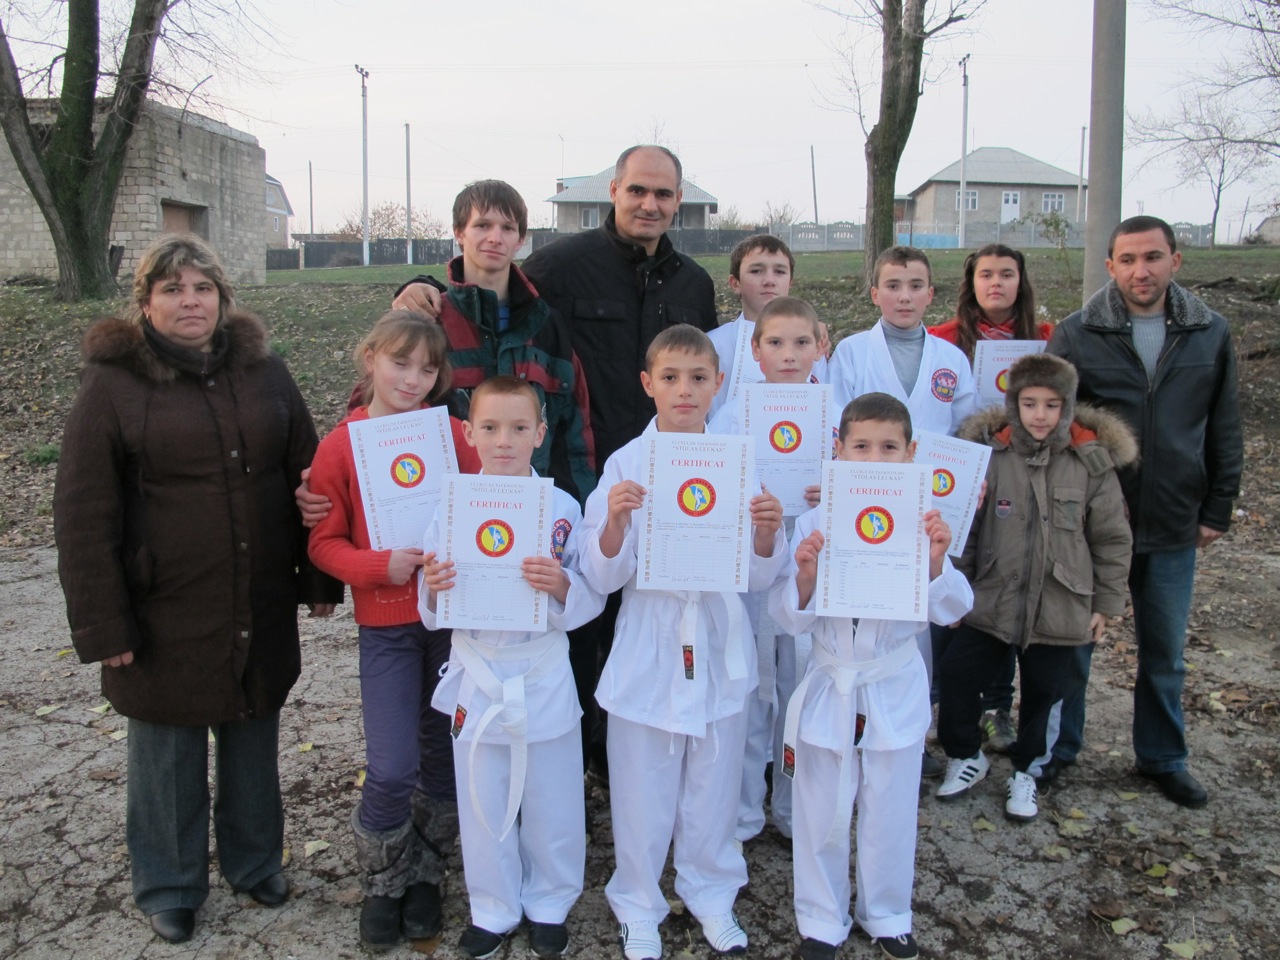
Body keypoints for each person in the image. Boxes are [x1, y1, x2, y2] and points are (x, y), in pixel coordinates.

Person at [392, 146, 719, 782]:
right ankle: (568, 755)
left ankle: (625, 757)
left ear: (679, 200)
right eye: (638, 190)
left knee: (642, 618)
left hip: (652, 479)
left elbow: (698, 368)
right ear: (614, 191)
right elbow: (490, 282)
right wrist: (423, 285)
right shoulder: (563, 265)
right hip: (572, 476)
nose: (650, 204)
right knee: (570, 626)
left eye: (663, 194)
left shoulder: (694, 284)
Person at [53, 234, 341, 944]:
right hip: (163, 603)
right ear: (146, 302)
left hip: (256, 593)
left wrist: (318, 576)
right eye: (173, 289)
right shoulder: (113, 384)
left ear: (222, 298)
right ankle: (170, 883)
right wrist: (103, 624)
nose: (190, 301)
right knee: (168, 745)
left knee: (252, 724)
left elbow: (311, 476)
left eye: (203, 288)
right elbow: (83, 514)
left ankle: (254, 862)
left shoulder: (266, 373)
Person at [578, 325, 786, 960]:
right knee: (642, 783)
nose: (685, 390)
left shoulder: (738, 460)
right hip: (651, 635)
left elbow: (758, 577)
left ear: (719, 383)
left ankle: (711, 891)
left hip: (718, 636)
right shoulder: (626, 464)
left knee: (714, 781)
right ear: (648, 384)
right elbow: (601, 576)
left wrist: (765, 534)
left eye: (698, 378)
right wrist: (614, 523)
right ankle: (639, 901)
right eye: (670, 378)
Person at [769, 393, 973, 960]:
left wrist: (936, 562)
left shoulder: (925, 521)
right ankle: (821, 919)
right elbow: (787, 617)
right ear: (838, 450)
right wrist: (805, 576)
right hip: (831, 678)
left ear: (912, 452)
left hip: (891, 681)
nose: (875, 458)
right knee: (819, 808)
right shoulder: (814, 522)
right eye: (861, 446)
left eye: (889, 447)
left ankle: (887, 913)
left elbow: (954, 609)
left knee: (890, 808)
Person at [1047, 215, 1243, 808]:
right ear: (1111, 266)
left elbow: (1224, 426)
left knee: (1164, 654)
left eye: (1153, 257)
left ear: (1174, 261)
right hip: (1092, 526)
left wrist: (1218, 507)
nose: (1141, 271)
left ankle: (1162, 757)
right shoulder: (1078, 334)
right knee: (1071, 645)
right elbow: (1052, 429)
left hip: (1174, 520)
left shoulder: (1210, 333)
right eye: (1128, 259)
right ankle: (1057, 749)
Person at [419, 376, 606, 960]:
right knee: (484, 799)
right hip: (479, 669)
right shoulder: (451, 506)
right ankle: (493, 907)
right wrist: (434, 586)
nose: (504, 440)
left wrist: (562, 586)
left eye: (519, 428)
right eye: (491, 427)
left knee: (554, 797)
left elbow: (588, 594)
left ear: (540, 434)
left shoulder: (562, 507)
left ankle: (550, 901)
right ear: (468, 433)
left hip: (541, 668)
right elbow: (431, 608)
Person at [306, 312, 473, 951]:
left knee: (442, 756)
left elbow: (491, 495)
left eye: (427, 369)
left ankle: (426, 872)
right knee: (392, 765)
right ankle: (383, 879)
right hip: (387, 628)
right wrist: (379, 567)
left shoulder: (450, 436)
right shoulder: (341, 446)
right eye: (400, 363)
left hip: (448, 624)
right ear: (370, 357)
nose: (412, 379)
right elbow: (324, 542)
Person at [934, 354, 1135, 822]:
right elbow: (967, 530)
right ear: (1013, 404)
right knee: (958, 674)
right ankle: (966, 755)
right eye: (1029, 404)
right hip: (992, 596)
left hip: (1060, 602)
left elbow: (1111, 538)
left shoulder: (1090, 462)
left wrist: (1106, 604)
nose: (1039, 415)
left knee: (1046, 691)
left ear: (1067, 406)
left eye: (1051, 404)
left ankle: (1027, 770)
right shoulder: (992, 456)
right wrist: (955, 592)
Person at [927, 244, 1054, 757]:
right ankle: (942, 700)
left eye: (1006, 273)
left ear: (1021, 281)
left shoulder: (1045, 339)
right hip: (958, 477)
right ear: (971, 283)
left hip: (1018, 476)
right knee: (950, 580)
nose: (996, 283)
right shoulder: (945, 339)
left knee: (1001, 587)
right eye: (986, 274)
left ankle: (997, 705)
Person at [709, 295, 824, 843]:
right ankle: (743, 813)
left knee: (801, 690)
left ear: (820, 347)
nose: (789, 354)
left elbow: (864, 476)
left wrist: (832, 489)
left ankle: (793, 809)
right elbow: (712, 484)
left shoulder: (833, 414)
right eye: (775, 343)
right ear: (755, 351)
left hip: (809, 564)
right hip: (754, 566)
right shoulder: (733, 416)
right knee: (754, 690)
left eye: (801, 342)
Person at [827, 246, 977, 438]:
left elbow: (966, 428)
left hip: (938, 458)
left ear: (929, 295)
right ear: (875, 295)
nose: (905, 297)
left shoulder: (952, 358)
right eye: (893, 286)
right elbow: (836, 420)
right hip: (869, 456)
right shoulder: (850, 352)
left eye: (916, 286)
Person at [707, 235, 829, 418]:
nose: (769, 280)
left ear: (790, 282)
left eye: (779, 271)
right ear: (735, 283)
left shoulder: (811, 343)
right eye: (756, 271)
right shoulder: (713, 344)